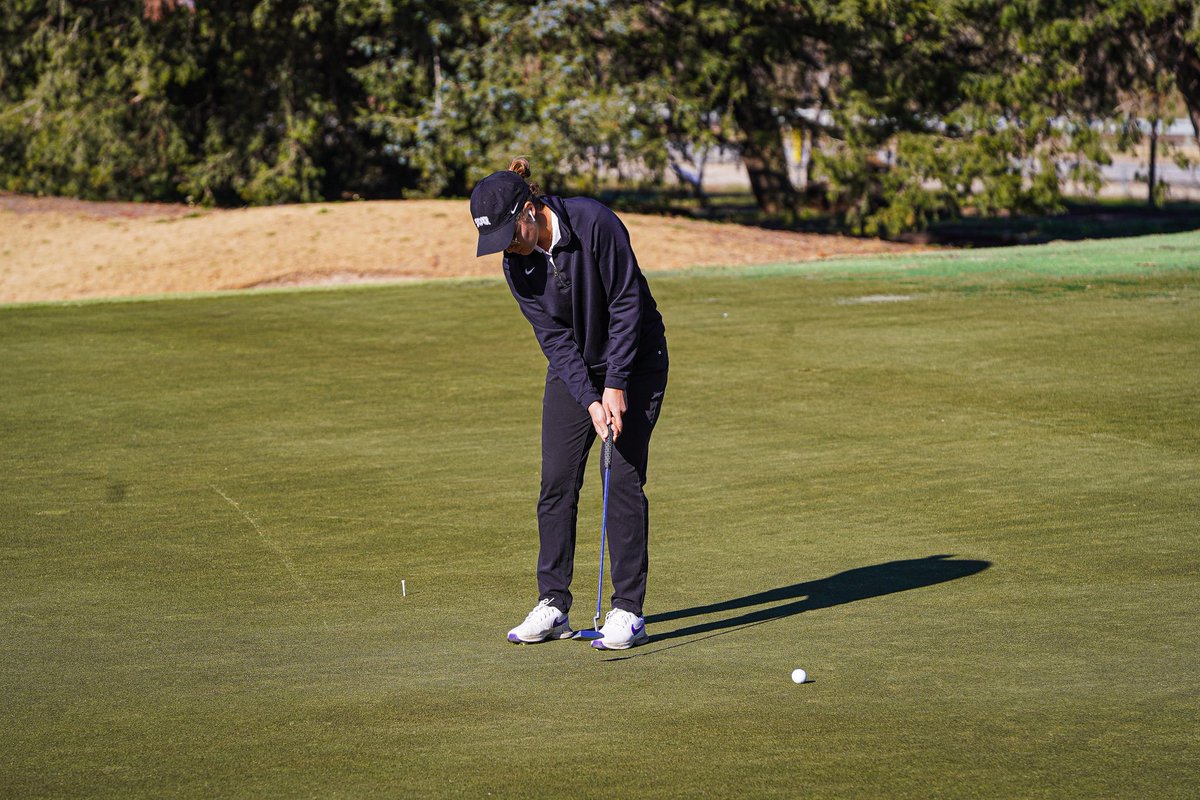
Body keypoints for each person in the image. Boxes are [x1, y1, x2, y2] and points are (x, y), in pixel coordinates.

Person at [470, 158, 668, 650]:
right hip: (575, 367)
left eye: (509, 234)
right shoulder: (517, 263)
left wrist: (616, 385)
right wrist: (589, 398)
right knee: (557, 480)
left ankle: (628, 612)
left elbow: (627, 303)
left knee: (620, 476)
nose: (508, 248)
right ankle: (553, 603)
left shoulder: (594, 222)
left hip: (636, 359)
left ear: (530, 210)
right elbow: (555, 339)